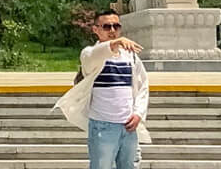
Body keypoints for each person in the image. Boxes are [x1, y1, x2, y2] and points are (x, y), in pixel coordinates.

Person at [54, 9, 150, 169]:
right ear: (96, 30)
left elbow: (143, 87)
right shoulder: (90, 54)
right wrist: (115, 44)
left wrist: (138, 113)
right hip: (103, 126)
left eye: (116, 26)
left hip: (128, 126)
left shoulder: (131, 56)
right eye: (107, 27)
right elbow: (93, 56)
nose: (112, 31)